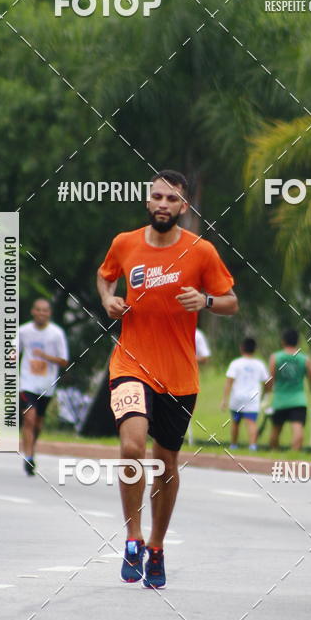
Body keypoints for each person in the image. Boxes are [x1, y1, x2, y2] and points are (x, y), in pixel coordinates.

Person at [96, 170, 238, 589]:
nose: (162, 204)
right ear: (147, 201)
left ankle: (157, 545)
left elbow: (231, 301)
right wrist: (109, 300)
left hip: (178, 375)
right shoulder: (125, 243)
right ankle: (133, 537)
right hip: (130, 364)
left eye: (171, 199)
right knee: (132, 446)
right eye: (156, 197)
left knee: (167, 461)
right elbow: (105, 276)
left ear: (184, 207)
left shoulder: (201, 252)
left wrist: (206, 301)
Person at [18, 298, 69, 476]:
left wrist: (45, 357)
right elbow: (14, 351)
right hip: (27, 382)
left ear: (49, 313)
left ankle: (31, 446)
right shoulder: (23, 331)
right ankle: (29, 458)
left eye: (45, 310)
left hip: (47, 384)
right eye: (38, 310)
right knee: (29, 419)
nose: (41, 313)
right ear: (33, 311)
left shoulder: (56, 333)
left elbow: (64, 361)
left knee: (38, 424)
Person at [268, 330, 311, 450]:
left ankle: (273, 455)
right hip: (298, 400)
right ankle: (293, 456)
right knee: (297, 428)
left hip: (280, 399)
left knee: (276, 429)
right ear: (298, 342)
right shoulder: (304, 359)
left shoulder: (275, 357)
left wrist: (266, 394)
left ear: (283, 341)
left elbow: (270, 379)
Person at [220, 337, 269, 450]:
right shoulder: (259, 364)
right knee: (251, 422)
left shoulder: (235, 363)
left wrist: (224, 399)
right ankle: (252, 446)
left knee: (235, 422)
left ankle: (233, 445)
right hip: (252, 398)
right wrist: (266, 393)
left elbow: (229, 382)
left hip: (237, 397)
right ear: (255, 349)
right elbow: (266, 381)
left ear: (241, 348)